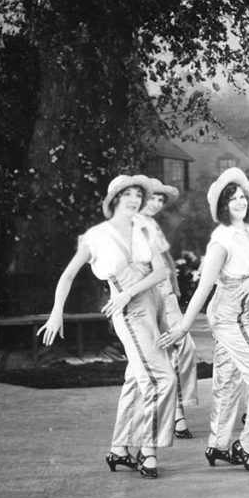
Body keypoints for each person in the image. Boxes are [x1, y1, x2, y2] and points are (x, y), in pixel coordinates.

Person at [39, 175, 177, 479]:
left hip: (152, 304)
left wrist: (135, 293)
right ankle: (148, 449)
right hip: (127, 311)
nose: (134, 199)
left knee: (136, 378)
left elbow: (160, 272)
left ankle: (119, 448)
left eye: (137, 195)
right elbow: (68, 275)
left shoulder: (144, 229)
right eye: (126, 194)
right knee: (162, 379)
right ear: (113, 199)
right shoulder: (96, 237)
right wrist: (56, 312)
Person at [158, 168, 249, 472]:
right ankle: (247, 445)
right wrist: (184, 326)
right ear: (222, 207)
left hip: (247, 311)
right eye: (232, 199)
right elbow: (203, 288)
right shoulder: (221, 242)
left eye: (243, 196)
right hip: (229, 317)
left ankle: (218, 445)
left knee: (227, 381)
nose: (240, 202)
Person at [137, 178, 198, 441]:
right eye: (152, 198)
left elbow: (166, 256)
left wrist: (174, 284)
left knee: (185, 346)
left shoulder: (152, 225)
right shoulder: (133, 225)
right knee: (162, 351)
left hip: (167, 294)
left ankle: (178, 408)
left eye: (160, 200)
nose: (156, 204)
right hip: (149, 294)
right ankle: (175, 413)